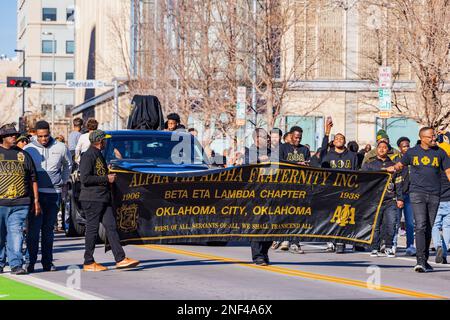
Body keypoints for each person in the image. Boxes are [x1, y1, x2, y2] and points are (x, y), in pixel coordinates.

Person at [386, 127, 450, 272]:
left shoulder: (440, 153)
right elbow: (400, 164)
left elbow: (448, 171)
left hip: (435, 194)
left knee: (429, 227)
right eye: (430, 137)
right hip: (417, 194)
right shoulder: (412, 152)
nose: (434, 138)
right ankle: (420, 261)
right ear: (422, 138)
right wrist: (392, 168)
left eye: (434, 136)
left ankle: (425, 259)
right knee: (420, 225)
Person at [79, 130, 139, 271]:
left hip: (103, 197)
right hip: (92, 198)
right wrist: (106, 178)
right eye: (104, 140)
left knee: (111, 227)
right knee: (92, 230)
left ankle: (120, 258)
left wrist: (107, 172)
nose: (106, 142)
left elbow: (97, 173)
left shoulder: (98, 154)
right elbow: (85, 179)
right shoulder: (88, 155)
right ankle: (88, 261)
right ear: (100, 141)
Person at [24, 120, 72, 273]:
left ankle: (47, 262)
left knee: (48, 230)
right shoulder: (28, 149)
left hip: (53, 194)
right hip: (35, 195)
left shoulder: (60, 147)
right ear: (35, 135)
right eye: (40, 136)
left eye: (46, 136)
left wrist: (63, 181)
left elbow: (68, 165)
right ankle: (30, 262)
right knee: (33, 231)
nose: (43, 139)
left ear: (49, 133)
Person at [0, 124, 40, 275]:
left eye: (15, 135)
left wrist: (35, 200)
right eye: (11, 135)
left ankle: (16, 264)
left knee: (15, 233)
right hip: (0, 203)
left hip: (21, 203)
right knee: (0, 235)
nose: (14, 138)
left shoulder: (23, 155)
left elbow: (33, 178)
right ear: (3, 138)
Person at [320, 117, 359, 254]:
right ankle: (330, 241)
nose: (339, 141)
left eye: (341, 139)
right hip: (331, 189)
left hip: (346, 189)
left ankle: (340, 242)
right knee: (331, 215)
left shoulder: (352, 156)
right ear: (333, 141)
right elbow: (322, 148)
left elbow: (355, 172)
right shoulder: (327, 154)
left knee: (343, 216)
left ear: (345, 142)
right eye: (336, 139)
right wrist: (327, 131)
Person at [363, 140, 403, 258]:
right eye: (380, 147)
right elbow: (365, 175)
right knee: (375, 225)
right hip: (374, 199)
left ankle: (389, 247)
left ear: (388, 150)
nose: (382, 149)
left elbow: (399, 183)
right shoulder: (370, 164)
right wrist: (385, 170)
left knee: (391, 224)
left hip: (390, 199)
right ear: (376, 149)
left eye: (385, 147)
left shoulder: (394, 164)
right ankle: (374, 247)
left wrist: (400, 198)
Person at [277, 126, 309, 253]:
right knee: (285, 213)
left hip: (299, 186)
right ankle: (284, 238)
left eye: (300, 137)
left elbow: (308, 165)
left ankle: (295, 242)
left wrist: (306, 165)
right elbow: (278, 163)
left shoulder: (304, 150)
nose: (298, 140)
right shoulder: (282, 148)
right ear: (290, 136)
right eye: (296, 137)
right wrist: (296, 164)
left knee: (297, 215)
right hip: (285, 185)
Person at [392, 137, 416, 256]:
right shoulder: (397, 161)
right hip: (398, 196)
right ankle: (393, 244)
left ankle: (410, 245)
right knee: (396, 222)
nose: (406, 148)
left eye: (408, 145)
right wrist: (399, 197)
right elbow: (397, 181)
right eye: (404, 146)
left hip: (411, 196)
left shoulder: (414, 160)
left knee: (410, 223)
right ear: (399, 148)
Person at [432, 132, 450, 264]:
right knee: (447, 226)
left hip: (437, 199)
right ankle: (445, 250)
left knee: (435, 225)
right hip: (449, 200)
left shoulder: (435, 168)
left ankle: (438, 245)